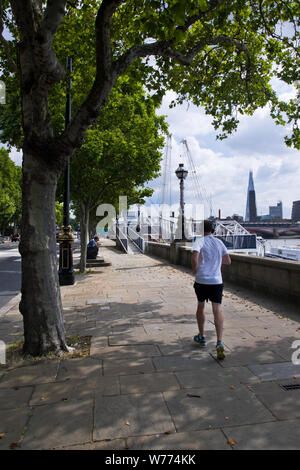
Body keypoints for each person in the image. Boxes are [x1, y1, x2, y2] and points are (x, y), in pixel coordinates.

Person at [191, 220, 231, 360]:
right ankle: (219, 342)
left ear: (201, 230)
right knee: (217, 309)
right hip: (216, 281)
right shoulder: (219, 243)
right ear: (213, 229)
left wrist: (195, 270)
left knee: (201, 306)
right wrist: (216, 262)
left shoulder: (199, 241)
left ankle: (202, 337)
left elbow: (195, 256)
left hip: (202, 280)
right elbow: (227, 261)